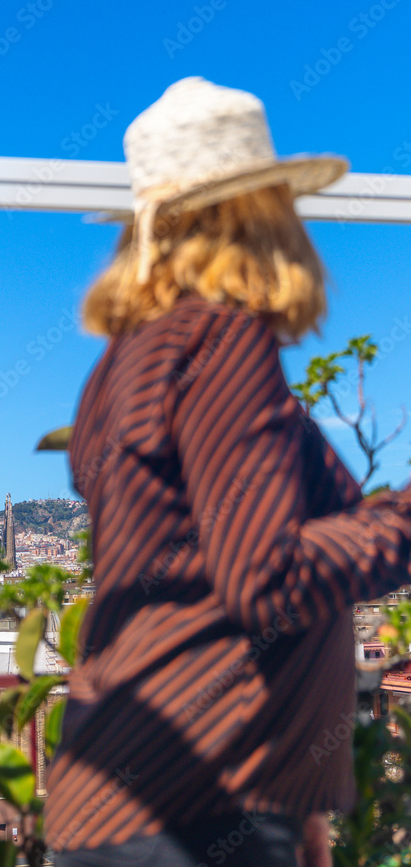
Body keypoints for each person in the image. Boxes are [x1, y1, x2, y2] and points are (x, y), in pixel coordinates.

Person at [44, 77, 411, 867]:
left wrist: (295, 796)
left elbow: (206, 571)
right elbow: (266, 578)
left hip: (146, 795)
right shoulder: (219, 345)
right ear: (260, 214)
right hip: (197, 808)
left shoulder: (126, 363)